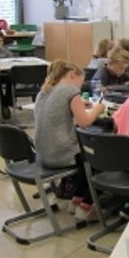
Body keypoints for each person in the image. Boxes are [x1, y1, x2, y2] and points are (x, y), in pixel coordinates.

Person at [33, 59, 105, 220]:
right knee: (96, 157)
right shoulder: (69, 90)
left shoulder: (44, 91)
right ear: (73, 75)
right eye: (81, 81)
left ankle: (76, 199)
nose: (81, 85)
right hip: (61, 155)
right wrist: (98, 109)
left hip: (42, 155)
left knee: (84, 155)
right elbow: (84, 122)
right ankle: (85, 206)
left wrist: (80, 105)